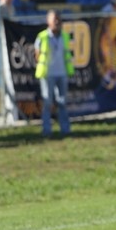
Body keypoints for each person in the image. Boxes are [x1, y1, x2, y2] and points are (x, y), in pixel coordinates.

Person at [34, 10, 75, 138]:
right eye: (54, 19)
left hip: (62, 73)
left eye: (59, 19)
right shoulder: (42, 37)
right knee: (47, 102)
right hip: (48, 74)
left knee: (62, 102)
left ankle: (65, 129)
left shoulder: (65, 36)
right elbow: (37, 54)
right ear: (48, 21)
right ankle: (47, 130)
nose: (57, 22)